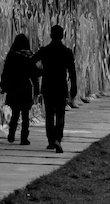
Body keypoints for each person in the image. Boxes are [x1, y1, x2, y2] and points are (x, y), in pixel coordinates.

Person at [32, 25, 77, 154]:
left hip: (48, 86)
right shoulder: (67, 52)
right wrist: (73, 87)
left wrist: (41, 71)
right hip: (61, 86)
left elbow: (32, 61)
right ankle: (58, 138)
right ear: (62, 36)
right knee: (61, 114)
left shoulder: (45, 50)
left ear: (51, 35)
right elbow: (72, 72)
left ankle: (51, 140)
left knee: (50, 114)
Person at [0, 33, 39, 145]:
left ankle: (11, 134)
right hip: (25, 87)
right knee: (26, 115)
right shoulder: (28, 56)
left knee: (15, 113)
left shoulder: (12, 55)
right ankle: (24, 138)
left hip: (13, 87)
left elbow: (6, 71)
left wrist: (3, 86)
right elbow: (34, 74)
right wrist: (36, 90)